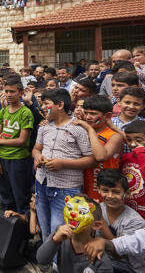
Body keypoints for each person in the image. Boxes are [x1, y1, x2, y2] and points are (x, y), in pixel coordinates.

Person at [33, 89, 95, 241]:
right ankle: (46, 260)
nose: (42, 107)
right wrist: (37, 157)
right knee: (45, 227)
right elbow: (36, 149)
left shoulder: (78, 129)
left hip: (66, 189)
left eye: (46, 104)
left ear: (60, 105)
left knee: (60, 231)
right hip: (42, 182)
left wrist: (63, 164)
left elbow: (91, 159)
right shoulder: (44, 127)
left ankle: (58, 264)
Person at [36, 194, 113, 272]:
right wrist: (55, 240)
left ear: (96, 225)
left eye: (82, 212)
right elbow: (41, 260)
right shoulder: (61, 234)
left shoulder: (99, 255)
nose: (73, 214)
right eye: (70, 209)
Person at [0, 75, 34, 212]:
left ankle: (24, 226)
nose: (9, 94)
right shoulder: (3, 111)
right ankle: (8, 226)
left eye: (12, 91)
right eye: (6, 91)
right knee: (5, 196)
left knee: (20, 196)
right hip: (3, 159)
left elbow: (22, 141)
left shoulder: (25, 112)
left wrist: (0, 141)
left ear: (21, 93)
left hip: (18, 160)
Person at [95, 169, 145, 273]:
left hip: (128, 268)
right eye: (105, 190)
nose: (110, 196)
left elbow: (120, 254)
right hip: (103, 265)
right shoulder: (97, 209)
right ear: (99, 190)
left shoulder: (136, 222)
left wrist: (99, 220)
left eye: (116, 192)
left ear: (127, 193)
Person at [73, 96, 122, 201]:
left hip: (104, 190)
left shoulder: (114, 136)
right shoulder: (81, 130)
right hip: (81, 186)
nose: (88, 117)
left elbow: (101, 156)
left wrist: (89, 129)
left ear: (107, 115)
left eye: (93, 114)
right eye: (86, 113)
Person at [111, 87, 145, 154]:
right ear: (119, 102)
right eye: (127, 102)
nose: (131, 106)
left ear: (143, 106)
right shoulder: (110, 122)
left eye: (136, 104)